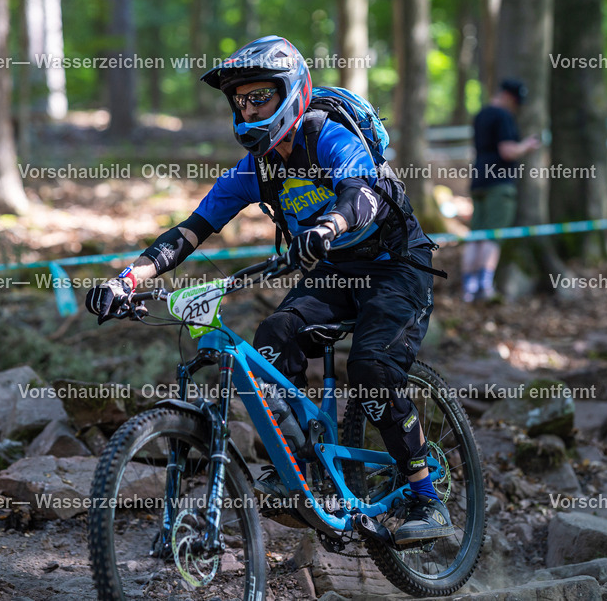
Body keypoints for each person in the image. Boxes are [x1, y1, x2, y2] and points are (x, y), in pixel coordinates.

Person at [86, 35, 451, 545]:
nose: (248, 108)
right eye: (240, 100)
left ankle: (426, 497)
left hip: (396, 265)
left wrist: (325, 229)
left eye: (261, 97)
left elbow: (362, 193)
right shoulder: (253, 171)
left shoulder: (328, 135)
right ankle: (300, 472)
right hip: (334, 269)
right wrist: (124, 280)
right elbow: (190, 231)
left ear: (291, 91)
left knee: (371, 366)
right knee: (274, 334)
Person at [461, 78, 540, 302]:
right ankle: (485, 286)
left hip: (479, 181)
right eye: (516, 102)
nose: (516, 107)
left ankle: (469, 288)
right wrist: (527, 145)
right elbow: (507, 151)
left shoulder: (481, 115)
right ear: (508, 97)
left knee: (475, 236)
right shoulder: (503, 116)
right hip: (499, 184)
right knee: (492, 236)